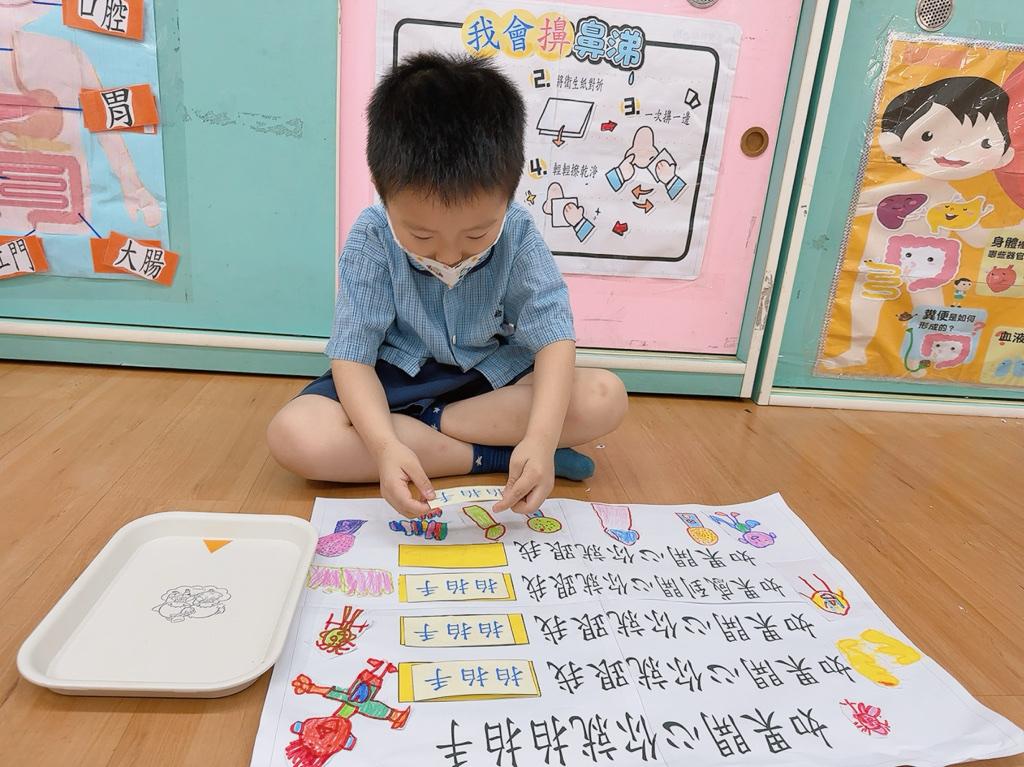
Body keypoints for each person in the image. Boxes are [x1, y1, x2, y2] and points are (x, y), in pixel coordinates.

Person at [268, 52, 628, 518]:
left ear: (510, 193)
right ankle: (491, 457)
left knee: (605, 396)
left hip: (489, 382)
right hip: (393, 382)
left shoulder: (518, 231)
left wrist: (540, 440)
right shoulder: (372, 236)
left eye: (477, 234)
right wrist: (384, 447)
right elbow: (352, 358)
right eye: (421, 236)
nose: (450, 256)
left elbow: (554, 337)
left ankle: (439, 433)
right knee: (294, 435)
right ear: (381, 189)